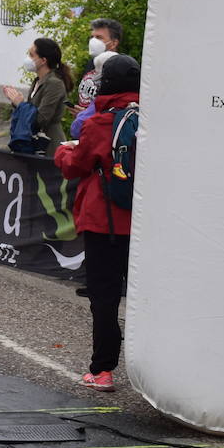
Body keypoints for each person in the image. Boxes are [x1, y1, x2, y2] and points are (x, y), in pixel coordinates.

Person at [54, 54, 140, 392]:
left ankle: (102, 371)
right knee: (145, 298)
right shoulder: (152, 120)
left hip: (104, 222)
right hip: (145, 223)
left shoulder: (100, 123)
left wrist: (63, 151)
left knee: (104, 297)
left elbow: (76, 165)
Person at [4, 38, 71, 155]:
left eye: (31, 55)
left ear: (43, 60)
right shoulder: (38, 81)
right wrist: (17, 104)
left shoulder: (54, 83)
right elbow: (31, 111)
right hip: (34, 142)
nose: (28, 59)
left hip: (49, 145)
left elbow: (41, 119)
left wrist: (20, 104)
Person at [74, 18, 123, 118]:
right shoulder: (91, 64)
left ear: (114, 43)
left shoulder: (121, 68)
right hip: (85, 126)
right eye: (92, 37)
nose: (93, 41)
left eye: (99, 37)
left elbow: (118, 105)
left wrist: (88, 114)